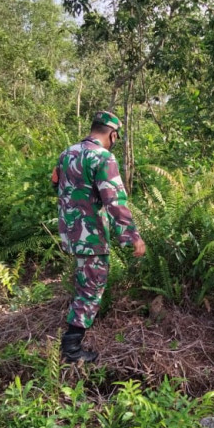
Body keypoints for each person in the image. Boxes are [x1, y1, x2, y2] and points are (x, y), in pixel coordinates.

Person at [52, 111, 146, 363]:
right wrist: (132, 236)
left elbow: (56, 185)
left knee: (84, 282)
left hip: (70, 232)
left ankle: (72, 340)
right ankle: (71, 348)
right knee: (92, 288)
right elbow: (114, 200)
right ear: (112, 135)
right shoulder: (103, 157)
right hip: (91, 235)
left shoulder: (66, 154)